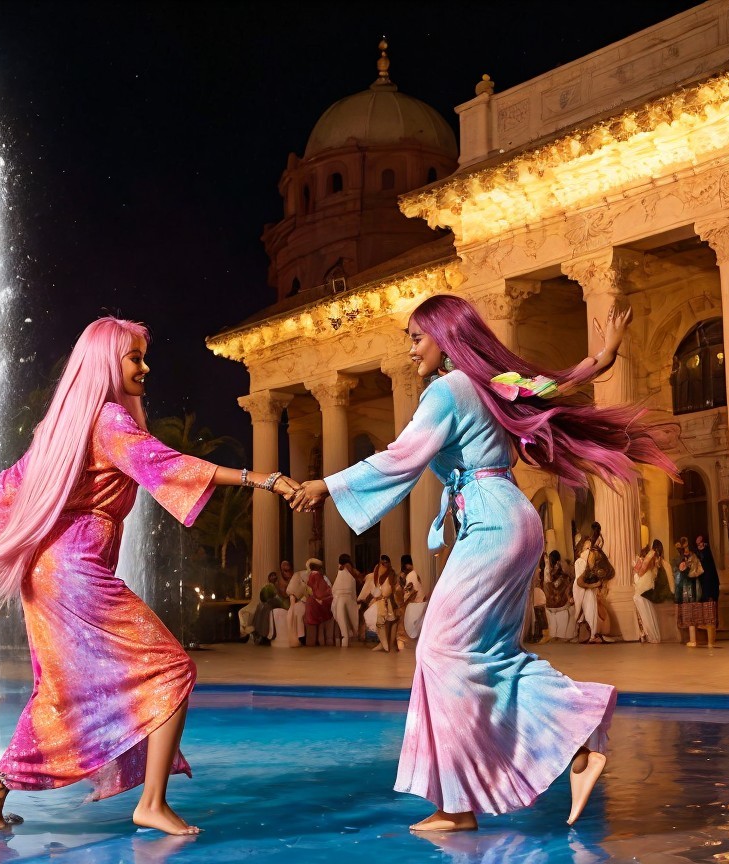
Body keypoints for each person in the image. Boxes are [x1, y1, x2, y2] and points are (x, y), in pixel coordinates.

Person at [289, 293, 675, 830]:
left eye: (416, 338)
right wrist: (601, 359)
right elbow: (554, 386)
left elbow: (401, 456)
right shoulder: (495, 385)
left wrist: (324, 486)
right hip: (512, 518)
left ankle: (542, 754)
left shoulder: (447, 390)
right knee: (482, 652)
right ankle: (471, 798)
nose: (411, 350)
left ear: (445, 339)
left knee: (442, 649)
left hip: (493, 524)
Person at [0, 317, 297, 835]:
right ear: (105, 364)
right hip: (76, 573)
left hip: (50, 573)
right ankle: (151, 803)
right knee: (172, 669)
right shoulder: (110, 421)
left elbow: (14, 480)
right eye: (134, 357)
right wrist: (263, 478)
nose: (145, 366)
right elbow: (166, 465)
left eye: (143, 355)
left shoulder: (68, 424)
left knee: (62, 690)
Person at [675, 537, 715, 647]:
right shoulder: (684, 558)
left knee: (701, 613)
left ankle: (706, 641)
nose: (685, 549)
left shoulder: (697, 556)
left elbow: (699, 570)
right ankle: (693, 640)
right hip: (688, 588)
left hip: (697, 588)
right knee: (690, 613)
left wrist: (688, 567)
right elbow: (680, 572)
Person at [632, 543, 661, 643]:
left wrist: (637, 569)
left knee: (643, 606)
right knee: (646, 607)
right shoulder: (655, 557)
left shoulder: (651, 554)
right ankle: (648, 633)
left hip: (644, 582)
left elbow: (641, 571)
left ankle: (650, 634)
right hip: (647, 581)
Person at [251, 571, 289, 645]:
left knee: (265, 608)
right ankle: (259, 633)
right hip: (270, 603)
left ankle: (264, 634)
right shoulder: (267, 586)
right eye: (271, 576)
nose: (273, 577)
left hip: (277, 604)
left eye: (274, 576)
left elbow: (282, 598)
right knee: (261, 607)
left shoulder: (279, 586)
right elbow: (264, 597)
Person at [543, 550, 574, 642]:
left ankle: (554, 635)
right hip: (562, 605)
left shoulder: (547, 571)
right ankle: (564, 635)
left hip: (549, 605)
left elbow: (547, 582)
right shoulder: (564, 573)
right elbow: (571, 579)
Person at [303, 559, 335, 646]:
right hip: (316, 607)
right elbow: (321, 592)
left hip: (310, 605)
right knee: (314, 633)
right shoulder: (317, 576)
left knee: (311, 633)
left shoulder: (309, 576)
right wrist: (331, 593)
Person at [332, 553, 360, 647]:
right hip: (348, 597)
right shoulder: (350, 568)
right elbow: (356, 578)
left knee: (343, 626)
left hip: (339, 597)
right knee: (350, 621)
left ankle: (344, 645)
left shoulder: (340, 569)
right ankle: (349, 642)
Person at [286, 561, 311, 646]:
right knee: (295, 611)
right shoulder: (298, 577)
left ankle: (298, 637)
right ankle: (298, 637)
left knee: (296, 611)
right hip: (300, 600)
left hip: (304, 600)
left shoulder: (300, 576)